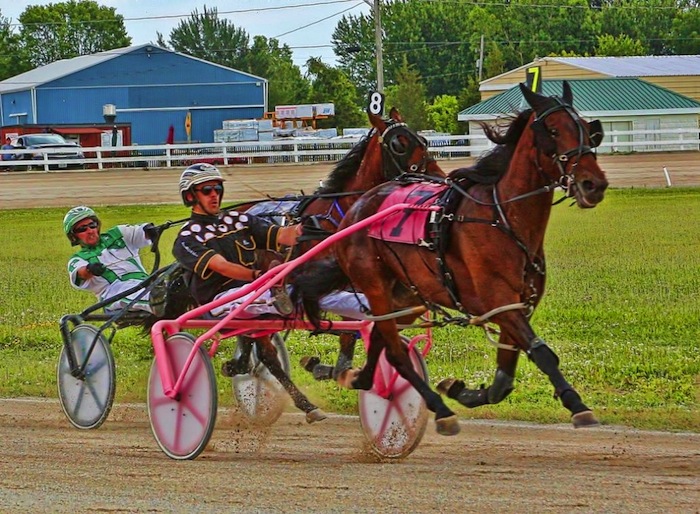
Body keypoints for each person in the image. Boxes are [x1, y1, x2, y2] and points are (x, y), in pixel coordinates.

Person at [173, 163, 367, 319]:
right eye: (207, 190)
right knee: (267, 297)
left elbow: (283, 235)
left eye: (218, 188)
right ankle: (278, 297)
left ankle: (373, 308)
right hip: (221, 301)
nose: (214, 194)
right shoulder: (187, 236)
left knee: (321, 294)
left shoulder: (237, 219)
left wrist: (304, 228)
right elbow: (222, 266)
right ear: (190, 196)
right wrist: (258, 276)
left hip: (260, 289)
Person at [64, 205, 160, 313]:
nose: (90, 231)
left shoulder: (118, 233)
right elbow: (80, 273)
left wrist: (151, 231)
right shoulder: (77, 259)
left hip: (144, 282)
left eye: (92, 225)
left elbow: (142, 232)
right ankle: (158, 302)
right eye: (82, 229)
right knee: (144, 294)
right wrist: (89, 269)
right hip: (113, 293)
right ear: (73, 236)